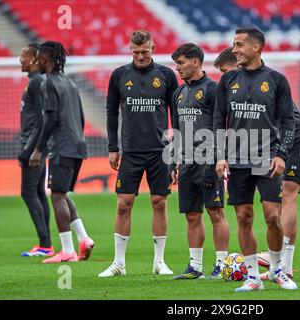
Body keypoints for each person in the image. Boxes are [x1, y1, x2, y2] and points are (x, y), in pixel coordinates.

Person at [214, 27, 297, 292]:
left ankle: (275, 270)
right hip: (237, 159)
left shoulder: (276, 80)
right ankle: (252, 277)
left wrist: (282, 154)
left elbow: (288, 122)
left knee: (273, 216)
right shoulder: (227, 81)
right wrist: (220, 156)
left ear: (256, 47)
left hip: (267, 157)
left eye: (239, 45)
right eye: (234, 44)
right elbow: (219, 120)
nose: (234, 49)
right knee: (243, 216)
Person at [99, 30, 178, 277]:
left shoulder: (166, 75)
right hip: (131, 152)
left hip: (160, 152)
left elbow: (176, 115)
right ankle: (119, 263)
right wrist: (113, 147)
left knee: (159, 202)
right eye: (136, 52)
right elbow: (111, 112)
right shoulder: (119, 75)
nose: (141, 56)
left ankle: (159, 262)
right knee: (124, 204)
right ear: (130, 49)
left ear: (153, 48)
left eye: (145, 51)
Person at [29, 41, 94, 263]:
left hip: (62, 148)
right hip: (78, 146)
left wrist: (38, 149)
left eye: (38, 57)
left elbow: (52, 118)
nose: (36, 61)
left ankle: (67, 251)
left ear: (45, 60)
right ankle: (84, 238)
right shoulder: (70, 83)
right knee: (62, 194)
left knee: (57, 196)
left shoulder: (48, 84)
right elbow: (82, 119)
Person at [169, 43, 230, 280]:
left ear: (195, 62)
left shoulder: (214, 89)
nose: (177, 68)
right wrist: (173, 162)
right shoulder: (179, 93)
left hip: (209, 161)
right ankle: (195, 266)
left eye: (181, 63)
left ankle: (221, 264)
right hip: (186, 162)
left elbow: (220, 127)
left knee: (216, 212)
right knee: (192, 214)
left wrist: (217, 159)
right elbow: (176, 130)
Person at [258, 101, 300, 280]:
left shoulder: (267, 84)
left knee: (287, 196)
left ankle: (277, 252)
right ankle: (286, 266)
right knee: (287, 198)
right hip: (285, 146)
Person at [18, 43, 53, 257]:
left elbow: (41, 121)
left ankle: (45, 244)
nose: (20, 60)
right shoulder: (34, 82)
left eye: (23, 56)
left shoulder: (37, 82)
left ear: (32, 59)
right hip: (35, 146)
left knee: (28, 192)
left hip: (34, 148)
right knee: (38, 192)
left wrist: (32, 150)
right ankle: (45, 244)